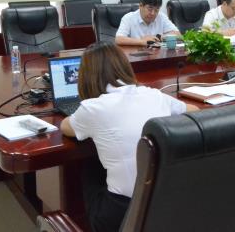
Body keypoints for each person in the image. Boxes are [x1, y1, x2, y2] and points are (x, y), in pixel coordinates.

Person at [60, 42, 197, 232]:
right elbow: (193, 111)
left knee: (90, 163)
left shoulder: (93, 108)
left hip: (119, 214)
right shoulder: (154, 95)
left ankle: (78, 221)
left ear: (86, 77)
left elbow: (65, 127)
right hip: (162, 203)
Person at [115, 0, 179, 46]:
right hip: (136, 54)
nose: (153, 13)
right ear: (141, 6)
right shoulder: (128, 18)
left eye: (156, 10)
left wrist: (159, 37)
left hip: (157, 54)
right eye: (150, 8)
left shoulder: (161, 17)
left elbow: (178, 35)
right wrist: (142, 41)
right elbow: (119, 39)